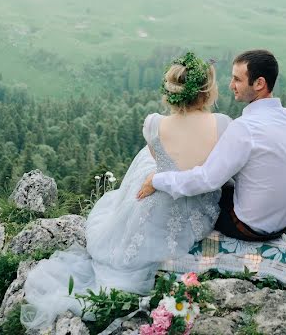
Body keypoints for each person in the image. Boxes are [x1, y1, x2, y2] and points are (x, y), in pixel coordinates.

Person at [20, 52, 232, 331]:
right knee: (151, 164)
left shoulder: (155, 124)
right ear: (206, 91)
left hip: (157, 203)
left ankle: (129, 200)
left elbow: (165, 161)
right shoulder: (223, 123)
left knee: (146, 161)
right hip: (196, 210)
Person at [137, 49, 286, 242]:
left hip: (251, 227)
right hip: (285, 221)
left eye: (237, 80)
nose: (231, 85)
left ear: (259, 83)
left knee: (205, 195)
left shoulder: (243, 129)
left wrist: (157, 180)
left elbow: (206, 180)